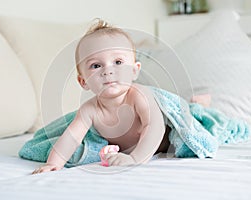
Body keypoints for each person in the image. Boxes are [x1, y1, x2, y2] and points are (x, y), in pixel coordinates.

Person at [32, 20, 204, 174]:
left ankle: (198, 106)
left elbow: (155, 127)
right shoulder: (90, 109)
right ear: (83, 81)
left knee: (198, 116)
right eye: (96, 65)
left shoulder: (139, 95)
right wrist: (54, 163)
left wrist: (135, 159)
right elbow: (72, 137)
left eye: (118, 62)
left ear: (135, 70)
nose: (108, 70)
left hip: (165, 141)